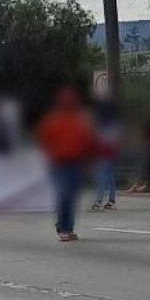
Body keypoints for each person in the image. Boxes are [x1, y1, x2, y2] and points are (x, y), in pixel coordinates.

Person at [37, 87, 95, 242]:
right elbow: (44, 140)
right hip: (59, 163)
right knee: (64, 195)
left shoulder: (79, 120)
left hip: (75, 162)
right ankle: (63, 227)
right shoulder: (53, 120)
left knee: (71, 196)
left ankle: (68, 227)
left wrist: (88, 160)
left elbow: (87, 141)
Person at [90, 102, 121, 211]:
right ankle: (111, 201)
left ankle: (99, 201)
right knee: (109, 177)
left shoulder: (104, 126)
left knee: (101, 177)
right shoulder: (112, 126)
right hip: (109, 155)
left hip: (104, 155)